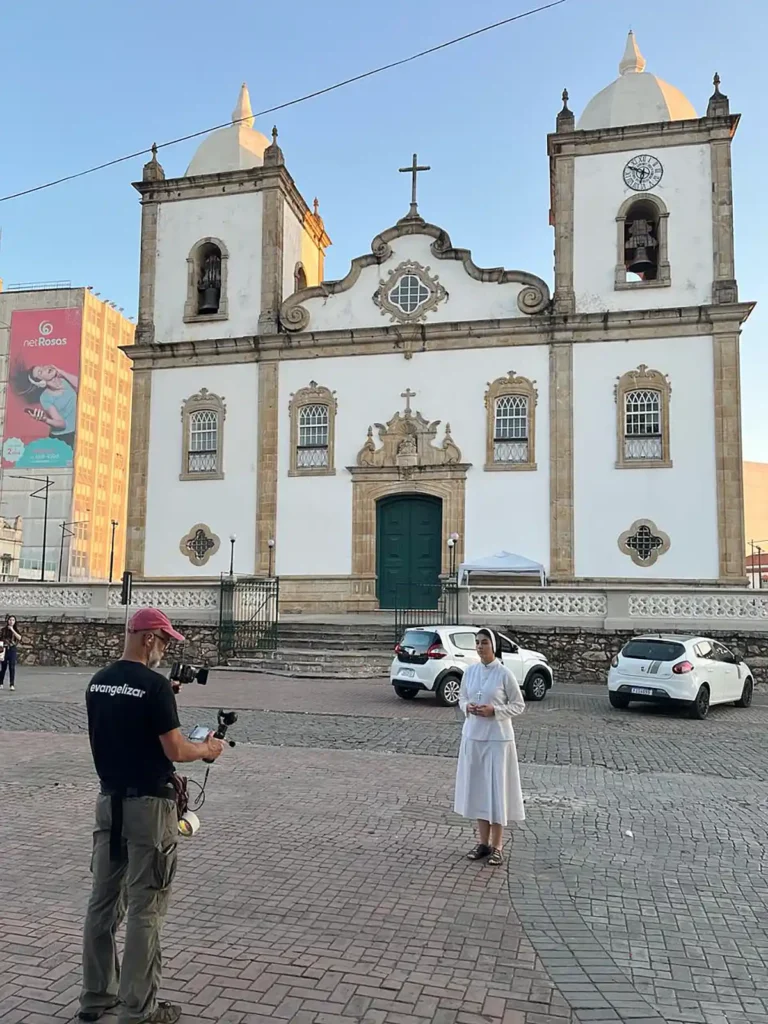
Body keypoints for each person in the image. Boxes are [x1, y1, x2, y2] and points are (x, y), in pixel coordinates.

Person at [78, 608, 225, 1024]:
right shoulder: (154, 687)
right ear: (148, 639)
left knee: (102, 905)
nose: (164, 650)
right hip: (149, 808)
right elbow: (177, 750)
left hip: (110, 804)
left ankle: (95, 997)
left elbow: (122, 726)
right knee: (146, 907)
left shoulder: (98, 682)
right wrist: (208, 749)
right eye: (163, 642)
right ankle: (138, 1009)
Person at [454, 627, 525, 866]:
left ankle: (498, 845)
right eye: (477, 643)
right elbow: (461, 697)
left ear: (493, 646)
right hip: (474, 736)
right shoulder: (470, 672)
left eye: (484, 642)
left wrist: (495, 711)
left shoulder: (504, 674)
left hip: (497, 739)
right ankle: (482, 843)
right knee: (479, 790)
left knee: (496, 791)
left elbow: (518, 705)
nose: (480, 647)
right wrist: (468, 707)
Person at [10, 362, 79, 451]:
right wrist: (45, 419)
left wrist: (61, 372)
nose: (44, 368)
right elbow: (62, 424)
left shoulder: (64, 380)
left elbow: (82, 386)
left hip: (78, 430)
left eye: (42, 367)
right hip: (64, 437)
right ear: (41, 382)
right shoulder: (45, 397)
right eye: (40, 372)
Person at [0, 614, 22, 690]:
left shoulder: (16, 630)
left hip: (12, 649)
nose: (11, 621)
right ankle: (1, 682)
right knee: (3, 667)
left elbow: (19, 638)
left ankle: (11, 684)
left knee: (12, 667)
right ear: (7, 621)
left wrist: (12, 629)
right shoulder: (3, 630)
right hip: (5, 649)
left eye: (13, 620)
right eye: (10, 620)